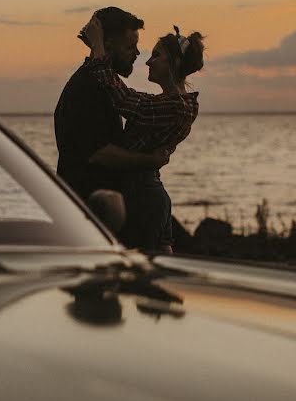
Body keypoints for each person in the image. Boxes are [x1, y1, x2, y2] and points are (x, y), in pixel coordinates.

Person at [82, 16, 204, 253]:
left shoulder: (176, 107)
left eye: (156, 55)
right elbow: (126, 95)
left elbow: (123, 98)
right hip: (148, 192)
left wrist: (98, 49)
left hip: (143, 196)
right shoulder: (174, 104)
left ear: (174, 63)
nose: (148, 61)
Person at [53, 7, 171, 206]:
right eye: (130, 47)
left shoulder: (105, 84)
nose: (137, 53)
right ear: (108, 44)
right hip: (89, 208)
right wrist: (151, 160)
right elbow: (101, 154)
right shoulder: (87, 87)